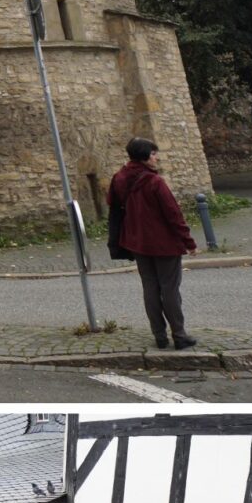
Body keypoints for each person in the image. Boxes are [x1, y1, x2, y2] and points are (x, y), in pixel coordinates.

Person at [107, 137, 198, 351]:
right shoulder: (154, 182)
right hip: (163, 242)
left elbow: (113, 205)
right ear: (145, 156)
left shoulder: (119, 178)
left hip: (137, 242)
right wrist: (189, 241)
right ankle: (179, 334)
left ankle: (159, 335)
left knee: (150, 288)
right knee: (169, 289)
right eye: (154, 154)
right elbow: (173, 214)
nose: (157, 157)